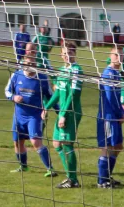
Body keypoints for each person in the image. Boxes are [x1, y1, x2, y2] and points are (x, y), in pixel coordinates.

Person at [5, 56, 55, 177]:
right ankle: (23, 166)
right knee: (17, 142)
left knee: (35, 141)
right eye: (28, 63)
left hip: (35, 116)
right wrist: (13, 97)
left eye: (32, 63)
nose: (30, 65)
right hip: (19, 115)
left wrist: (56, 110)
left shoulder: (42, 78)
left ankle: (50, 169)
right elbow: (7, 91)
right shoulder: (16, 75)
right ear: (23, 64)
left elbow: (51, 96)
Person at [43, 41, 84, 188]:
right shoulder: (61, 70)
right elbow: (59, 92)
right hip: (62, 111)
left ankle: (72, 179)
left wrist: (63, 115)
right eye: (65, 53)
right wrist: (47, 107)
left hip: (71, 112)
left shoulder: (77, 70)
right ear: (61, 55)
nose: (67, 56)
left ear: (75, 53)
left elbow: (73, 95)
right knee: (56, 143)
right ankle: (70, 176)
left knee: (67, 144)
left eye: (70, 53)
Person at [97, 47, 124, 188]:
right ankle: (102, 181)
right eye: (116, 54)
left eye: (121, 54)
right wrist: (119, 113)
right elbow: (110, 97)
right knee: (107, 147)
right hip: (107, 116)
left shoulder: (117, 73)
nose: (119, 57)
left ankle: (107, 176)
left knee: (118, 146)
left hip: (115, 114)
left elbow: (117, 96)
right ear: (110, 56)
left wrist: (121, 110)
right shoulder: (108, 73)